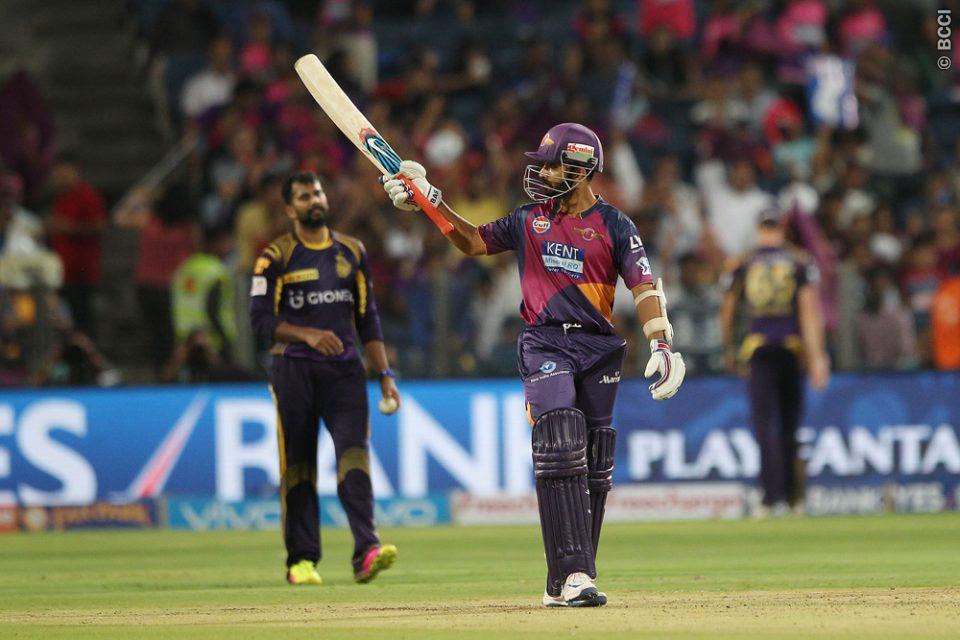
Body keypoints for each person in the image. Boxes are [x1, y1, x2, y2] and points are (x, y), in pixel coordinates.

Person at [382, 123, 687, 607]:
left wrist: (662, 344)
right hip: (545, 342)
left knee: (595, 463)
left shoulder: (615, 225)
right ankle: (576, 576)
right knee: (561, 440)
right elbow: (472, 242)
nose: (542, 173)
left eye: (551, 165)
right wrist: (429, 201)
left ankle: (563, 581)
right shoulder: (528, 219)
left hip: (598, 347)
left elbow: (644, 286)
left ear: (582, 167)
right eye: (541, 165)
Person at [250, 171, 399, 586]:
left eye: (317, 193)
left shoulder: (352, 251)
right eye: (303, 196)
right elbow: (260, 322)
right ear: (289, 209)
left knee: (354, 455)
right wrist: (308, 334)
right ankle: (301, 561)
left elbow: (368, 319)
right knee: (299, 464)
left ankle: (367, 551)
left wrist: (384, 373)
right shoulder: (275, 257)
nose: (313, 200)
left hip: (345, 373)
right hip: (293, 370)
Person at [720, 207, 830, 518]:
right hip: (791, 348)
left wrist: (728, 347)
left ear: (760, 229)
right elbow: (809, 312)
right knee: (790, 424)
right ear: (781, 229)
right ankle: (793, 497)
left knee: (765, 424)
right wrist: (817, 356)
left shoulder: (742, 262)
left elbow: (727, 308)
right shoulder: (799, 261)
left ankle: (770, 497)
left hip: (758, 348)